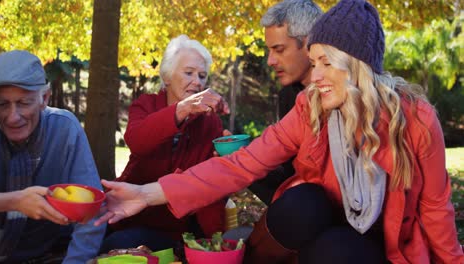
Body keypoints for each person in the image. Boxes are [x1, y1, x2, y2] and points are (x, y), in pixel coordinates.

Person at [96, 0, 464, 263]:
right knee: (312, 221)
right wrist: (147, 193)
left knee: (337, 250)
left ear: (359, 68)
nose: (315, 75)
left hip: (384, 239)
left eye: (327, 63)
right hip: (326, 223)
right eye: (313, 61)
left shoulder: (414, 118)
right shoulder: (311, 106)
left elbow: (435, 209)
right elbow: (240, 165)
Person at [99, 34, 230, 253]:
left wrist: (212, 241)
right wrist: (184, 108)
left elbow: (210, 185)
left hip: (171, 229)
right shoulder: (146, 105)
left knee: (114, 246)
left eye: (202, 76)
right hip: (122, 210)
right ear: (167, 76)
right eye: (189, 73)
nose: (197, 82)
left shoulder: (210, 122)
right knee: (78, 232)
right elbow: (137, 141)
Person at [0, 50, 106, 263]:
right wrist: (15, 201)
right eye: (1, 104)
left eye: (23, 103)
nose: (12, 116)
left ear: (44, 98)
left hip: (48, 255)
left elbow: (92, 211)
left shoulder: (65, 129)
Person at [249, 0, 323, 204]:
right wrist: (246, 155)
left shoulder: (342, 95)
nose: (270, 61)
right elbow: (288, 175)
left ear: (309, 44)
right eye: (269, 50)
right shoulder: (288, 96)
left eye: (279, 49)